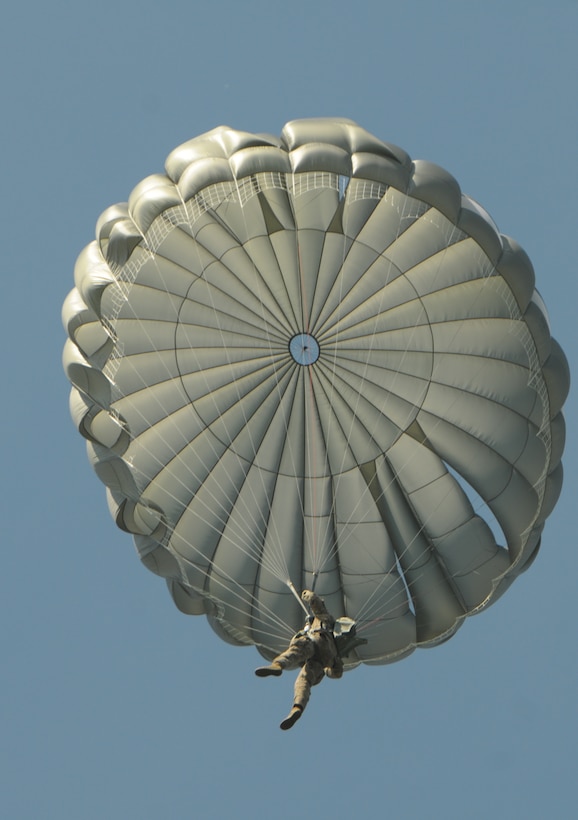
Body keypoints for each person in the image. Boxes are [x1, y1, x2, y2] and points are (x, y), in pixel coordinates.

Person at [255, 589, 345, 730]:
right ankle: (298, 707)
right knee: (304, 679)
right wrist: (329, 669)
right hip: (324, 660)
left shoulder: (324, 618)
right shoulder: (337, 647)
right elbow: (338, 672)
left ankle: (278, 665)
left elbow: (316, 603)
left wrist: (306, 595)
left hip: (316, 640)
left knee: (298, 649)